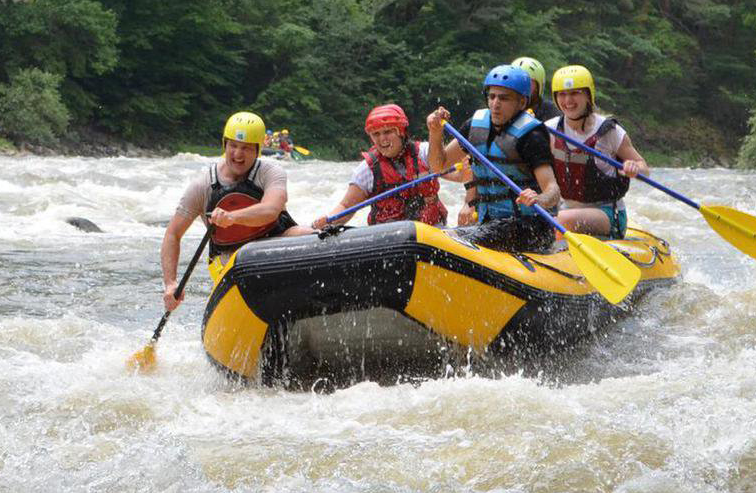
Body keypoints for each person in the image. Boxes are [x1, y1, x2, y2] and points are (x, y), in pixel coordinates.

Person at [159, 111, 304, 311]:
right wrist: (170, 283)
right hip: (230, 258)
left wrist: (232, 217)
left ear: (257, 150)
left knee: (312, 235)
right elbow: (173, 234)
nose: (237, 154)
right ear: (224, 145)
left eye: (245, 148)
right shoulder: (202, 185)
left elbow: (271, 210)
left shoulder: (271, 172)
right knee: (242, 262)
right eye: (233, 146)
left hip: (275, 239)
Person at [425, 65, 560, 235]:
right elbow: (439, 165)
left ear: (522, 103)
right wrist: (435, 132)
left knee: (453, 238)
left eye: (504, 98)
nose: (495, 104)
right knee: (444, 235)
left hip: (528, 227)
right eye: (492, 97)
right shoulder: (475, 126)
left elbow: (552, 190)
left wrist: (539, 199)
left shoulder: (532, 136)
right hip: (488, 224)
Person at [542, 64, 649, 238]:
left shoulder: (610, 131)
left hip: (607, 214)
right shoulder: (549, 129)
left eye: (575, 93)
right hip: (564, 208)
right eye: (562, 94)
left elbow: (643, 167)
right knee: (546, 219)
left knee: (559, 221)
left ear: (588, 95)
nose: (568, 100)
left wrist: (634, 168)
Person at [310, 103, 453, 230]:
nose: (382, 139)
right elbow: (346, 206)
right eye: (376, 134)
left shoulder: (424, 153)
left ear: (401, 132)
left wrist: (435, 131)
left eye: (388, 132)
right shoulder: (367, 170)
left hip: (432, 230)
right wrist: (329, 220)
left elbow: (452, 173)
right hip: (389, 236)